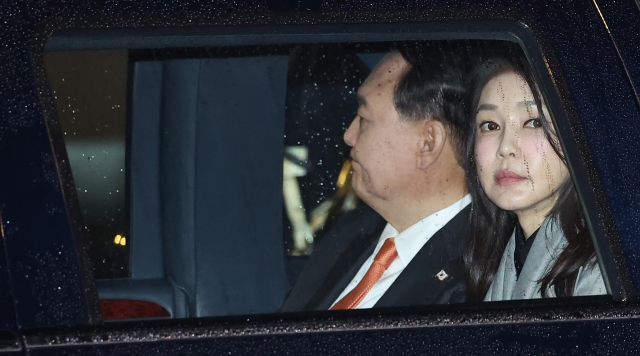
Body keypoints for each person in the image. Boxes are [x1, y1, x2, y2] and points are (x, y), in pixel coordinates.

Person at [280, 43, 473, 311]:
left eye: (363, 118)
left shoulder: (479, 281)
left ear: (428, 143)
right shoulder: (350, 232)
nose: (349, 136)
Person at [463, 55, 607, 302]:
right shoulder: (500, 256)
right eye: (489, 125)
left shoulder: (604, 269)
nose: (505, 147)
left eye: (533, 122)